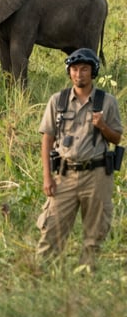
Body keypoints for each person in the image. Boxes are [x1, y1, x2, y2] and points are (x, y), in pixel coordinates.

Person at [36, 47, 123, 270]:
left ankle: (87, 276)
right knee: (51, 229)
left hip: (96, 175)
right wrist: (47, 177)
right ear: (69, 72)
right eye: (74, 69)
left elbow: (117, 137)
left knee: (94, 234)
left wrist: (102, 126)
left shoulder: (107, 101)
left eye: (84, 69)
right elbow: (47, 139)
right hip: (65, 174)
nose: (79, 74)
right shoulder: (59, 100)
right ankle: (43, 276)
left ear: (92, 72)